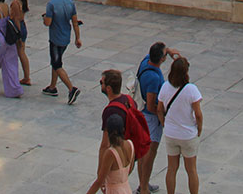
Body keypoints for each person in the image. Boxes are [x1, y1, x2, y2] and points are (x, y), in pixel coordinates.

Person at [157, 56, 202, 194]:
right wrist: (199, 129)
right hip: (187, 134)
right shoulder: (191, 89)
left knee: (171, 168)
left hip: (171, 133)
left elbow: (159, 109)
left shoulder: (165, 87)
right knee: (191, 169)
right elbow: (198, 114)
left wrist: (164, 123)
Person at [136, 42, 175, 194]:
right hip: (150, 119)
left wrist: (169, 51)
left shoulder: (146, 61)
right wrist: (163, 115)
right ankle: (144, 187)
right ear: (162, 59)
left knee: (142, 153)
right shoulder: (152, 77)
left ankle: (143, 184)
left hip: (143, 115)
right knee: (149, 155)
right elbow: (151, 105)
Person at [42, 0, 81, 102]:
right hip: (65, 38)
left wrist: (44, 18)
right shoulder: (70, 3)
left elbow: (48, 22)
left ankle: (71, 89)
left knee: (56, 63)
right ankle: (52, 87)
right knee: (56, 60)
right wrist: (77, 38)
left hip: (55, 39)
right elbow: (75, 22)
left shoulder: (51, 4)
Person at [83, 111, 134, 194]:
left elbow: (99, 181)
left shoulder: (110, 153)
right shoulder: (130, 144)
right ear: (123, 129)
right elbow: (130, 169)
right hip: (126, 189)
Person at [9, 0, 30, 86]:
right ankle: (26, 76)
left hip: (18, 28)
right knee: (21, 52)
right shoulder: (23, 0)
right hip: (22, 26)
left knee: (21, 53)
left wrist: (18, 35)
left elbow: (16, 19)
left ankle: (26, 77)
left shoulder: (15, 3)